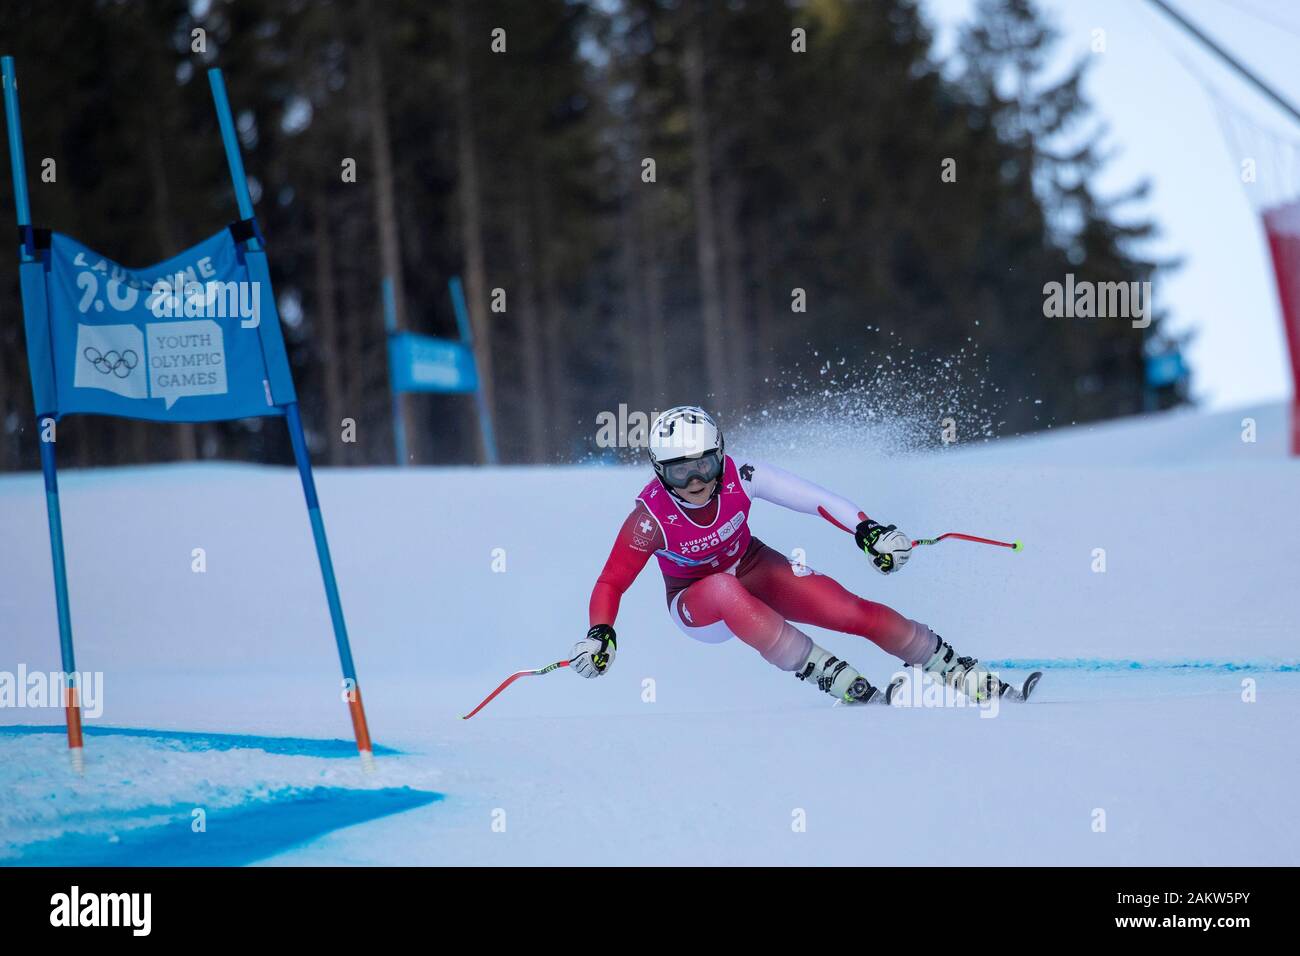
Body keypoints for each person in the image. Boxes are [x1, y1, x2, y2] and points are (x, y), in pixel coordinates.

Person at [573, 404, 1011, 704]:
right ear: (658, 471)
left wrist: (866, 529)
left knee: (849, 610)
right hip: (696, 605)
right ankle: (820, 667)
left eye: (704, 466)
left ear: (720, 455)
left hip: (753, 566)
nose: (694, 483)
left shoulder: (740, 474)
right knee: (723, 587)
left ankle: (950, 666)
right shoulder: (649, 519)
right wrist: (601, 634)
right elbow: (611, 581)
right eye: (679, 472)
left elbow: (812, 498)